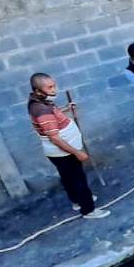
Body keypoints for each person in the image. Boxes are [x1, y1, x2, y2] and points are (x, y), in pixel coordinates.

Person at [27, 73, 110, 219]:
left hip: (58, 153)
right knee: (79, 180)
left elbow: (53, 117)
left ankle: (77, 201)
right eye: (50, 87)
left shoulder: (40, 102)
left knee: (68, 178)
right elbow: (54, 137)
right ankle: (88, 210)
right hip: (64, 152)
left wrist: (66, 109)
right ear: (38, 91)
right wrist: (77, 152)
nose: (54, 90)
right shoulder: (42, 110)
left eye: (54, 85)